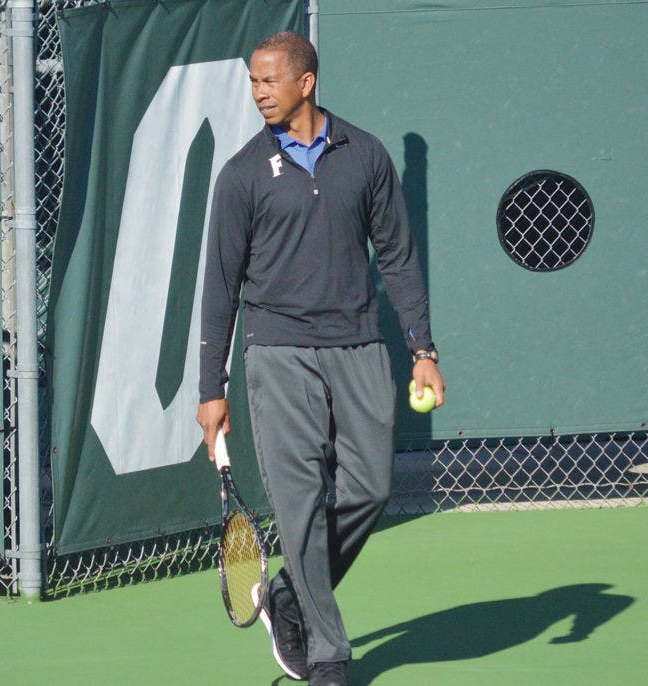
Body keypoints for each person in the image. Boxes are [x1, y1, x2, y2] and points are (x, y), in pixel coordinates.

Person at [196, 31, 445, 686]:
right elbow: (219, 287)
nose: (257, 93)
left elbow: (397, 258)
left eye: (268, 81)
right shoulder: (243, 174)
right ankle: (330, 655)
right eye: (252, 81)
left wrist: (422, 349)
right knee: (300, 505)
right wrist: (210, 388)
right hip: (277, 355)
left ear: (306, 82)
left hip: (358, 346)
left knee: (372, 489)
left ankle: (289, 596)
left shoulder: (363, 156)